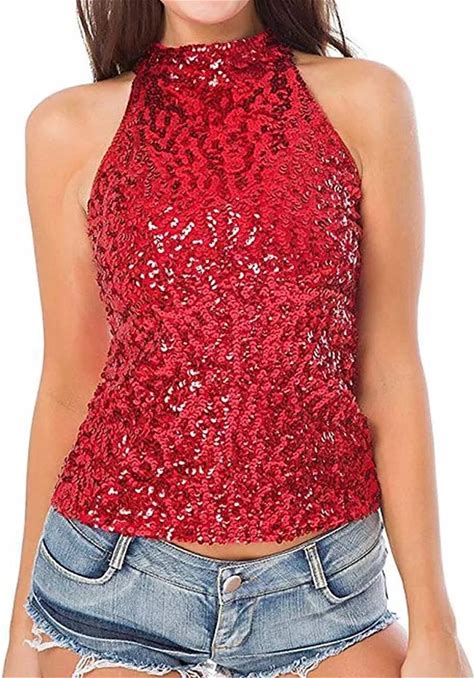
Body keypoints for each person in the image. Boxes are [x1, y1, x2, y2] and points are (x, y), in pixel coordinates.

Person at [3, 1, 472, 677]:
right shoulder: (65, 127)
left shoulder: (367, 102)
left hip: (324, 588)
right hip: (114, 585)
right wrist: (21, 633)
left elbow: (388, 368)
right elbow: (68, 387)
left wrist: (435, 624)